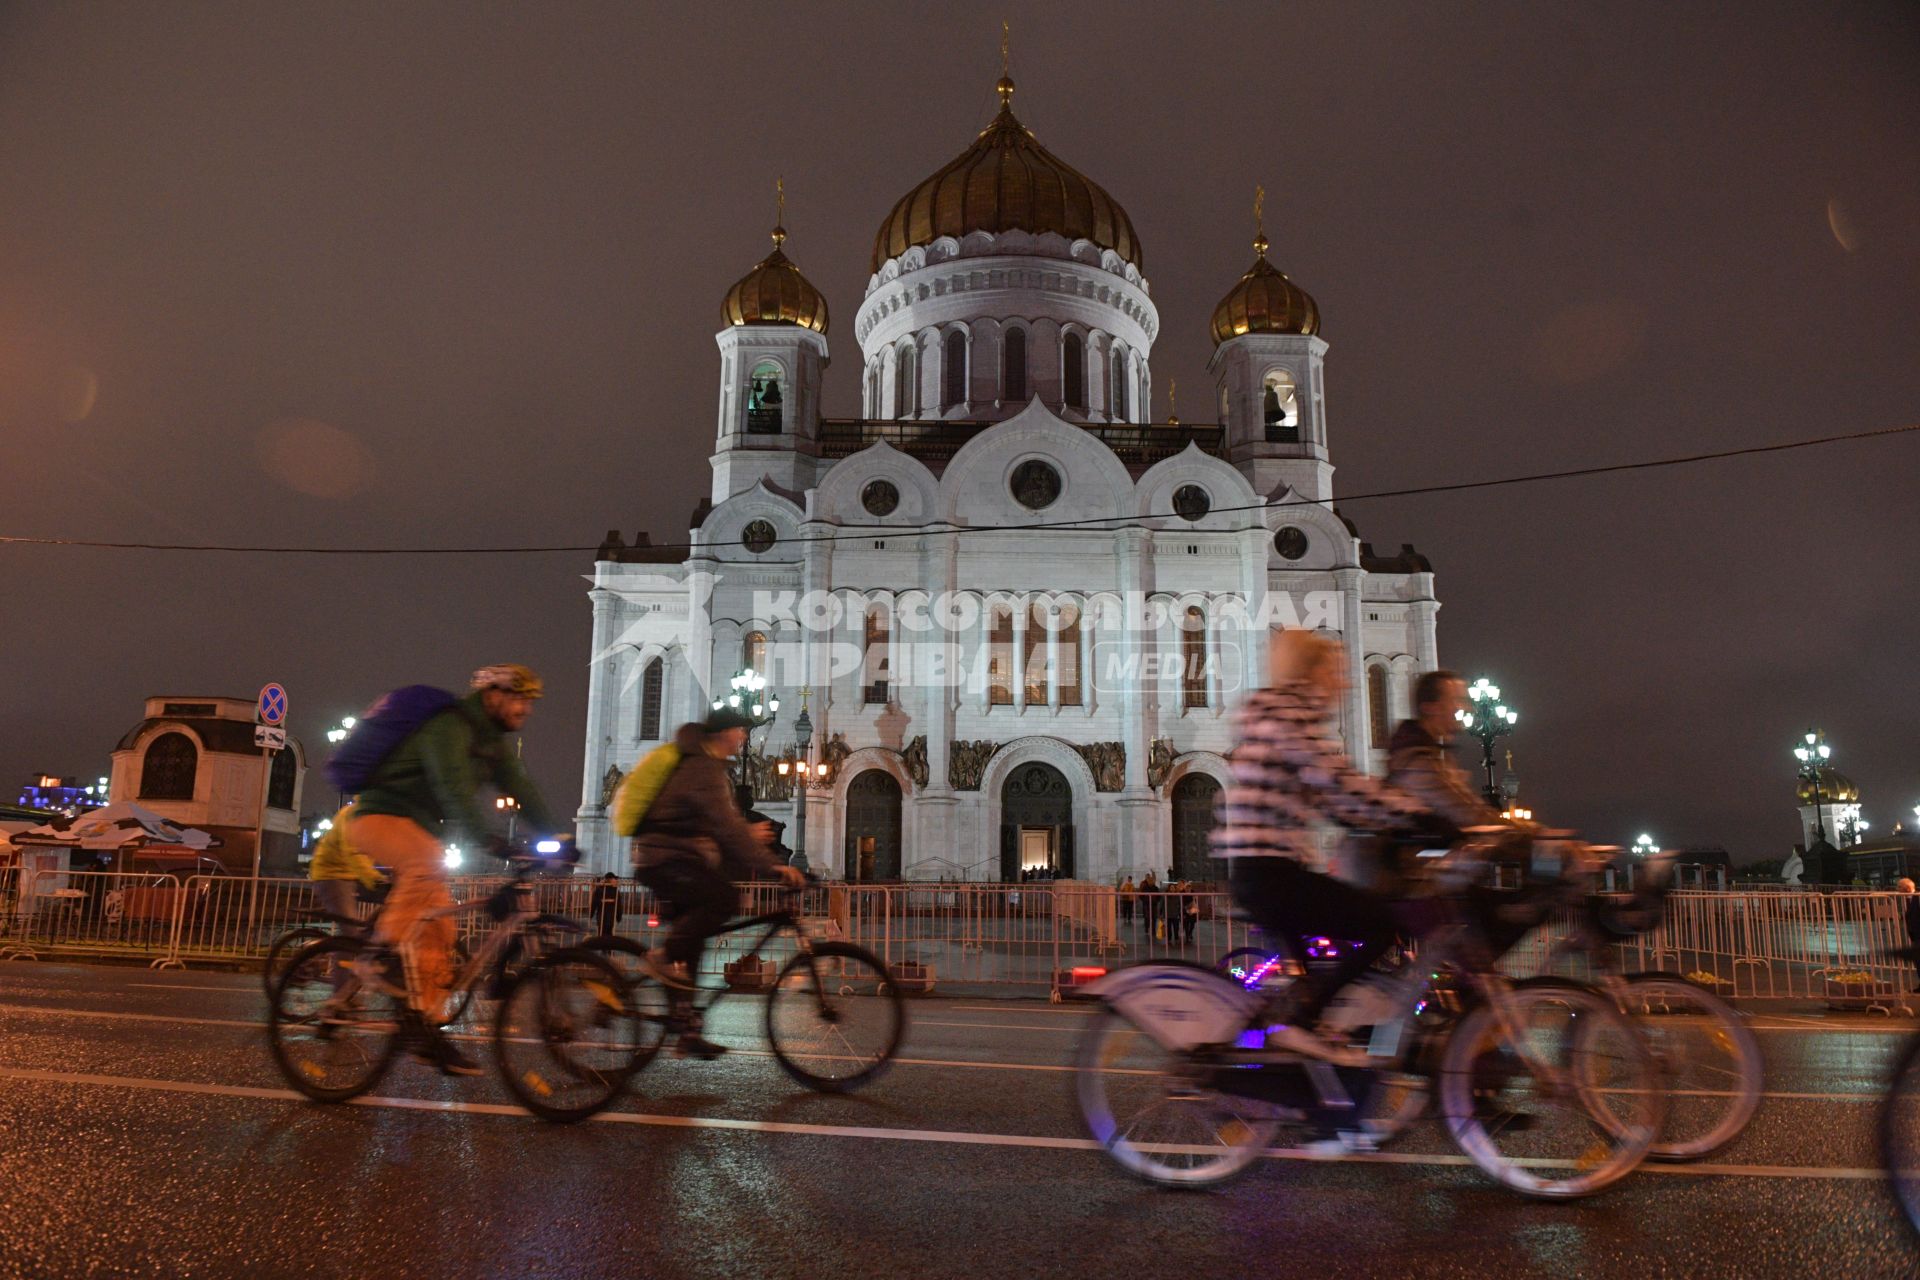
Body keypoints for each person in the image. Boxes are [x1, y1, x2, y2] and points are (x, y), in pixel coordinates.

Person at [1213, 629, 1448, 1064]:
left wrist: (1374, 819)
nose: (1345, 681)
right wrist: (1416, 815)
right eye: (1335, 670)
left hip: (1257, 871)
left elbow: (1329, 798)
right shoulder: (1292, 714)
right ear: (1313, 671)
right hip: (1271, 873)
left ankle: (1305, 1053)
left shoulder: (1270, 711)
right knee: (1382, 924)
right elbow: (1338, 784)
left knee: (1317, 970)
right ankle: (1301, 1025)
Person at [349, 663, 560, 1076]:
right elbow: (453, 790)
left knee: (441, 928)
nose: (527, 709)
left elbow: (521, 787)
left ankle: (423, 1027)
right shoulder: (451, 727)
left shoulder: (493, 743)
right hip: (379, 815)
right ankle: (381, 955)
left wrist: (559, 837)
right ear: (493, 695)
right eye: (520, 698)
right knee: (426, 865)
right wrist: (491, 839)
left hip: (418, 827)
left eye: (531, 701)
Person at [633, 709, 805, 1060]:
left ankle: (686, 1030)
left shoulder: (706, 765)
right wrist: (774, 866)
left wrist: (746, 836)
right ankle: (661, 958)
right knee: (725, 899)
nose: (744, 737)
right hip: (664, 859)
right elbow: (725, 826)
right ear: (724, 733)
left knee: (694, 943)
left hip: (678, 858)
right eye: (740, 730)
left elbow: (719, 825)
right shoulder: (702, 767)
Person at [308, 802, 382, 920]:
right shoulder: (353, 814)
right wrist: (375, 880)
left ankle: (372, 933)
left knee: (392, 901)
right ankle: (357, 936)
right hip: (331, 875)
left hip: (354, 875)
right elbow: (353, 852)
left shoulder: (377, 820)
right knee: (351, 926)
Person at [589, 871, 623, 937]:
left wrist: (590, 914)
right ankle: (607, 946)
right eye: (614, 879)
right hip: (611, 916)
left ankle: (601, 945)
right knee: (609, 934)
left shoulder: (599, 889)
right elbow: (619, 905)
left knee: (601, 933)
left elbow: (594, 903)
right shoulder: (615, 890)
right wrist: (619, 916)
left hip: (601, 916)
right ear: (610, 879)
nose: (615, 880)